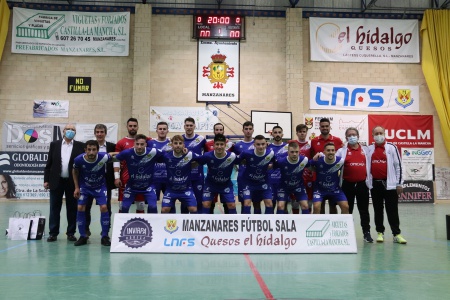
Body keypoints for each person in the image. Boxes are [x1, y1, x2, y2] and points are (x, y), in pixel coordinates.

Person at [44, 123, 84, 242]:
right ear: (63, 131)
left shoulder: (80, 146)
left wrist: (80, 184)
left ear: (75, 132)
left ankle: (71, 233)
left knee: (72, 208)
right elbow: (49, 164)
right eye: (68, 129)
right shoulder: (54, 144)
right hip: (56, 181)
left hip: (72, 182)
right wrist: (46, 180)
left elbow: (81, 167)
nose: (70, 131)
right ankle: (53, 233)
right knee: (54, 208)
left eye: (73, 129)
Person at [367, 125, 407, 244]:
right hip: (375, 184)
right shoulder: (369, 149)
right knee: (378, 210)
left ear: (384, 134)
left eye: (381, 133)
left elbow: (398, 166)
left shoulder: (391, 147)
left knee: (392, 210)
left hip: (390, 185)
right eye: (376, 133)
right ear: (373, 135)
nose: (379, 135)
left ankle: (396, 234)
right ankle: (380, 233)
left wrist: (399, 184)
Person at [336, 127, 373, 243]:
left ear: (358, 136)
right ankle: (346, 232)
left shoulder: (365, 150)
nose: (352, 137)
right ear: (346, 138)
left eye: (354, 134)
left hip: (362, 184)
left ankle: (366, 233)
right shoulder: (342, 151)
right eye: (349, 135)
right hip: (347, 185)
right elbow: (331, 159)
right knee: (348, 209)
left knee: (364, 211)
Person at [72, 140, 112, 246]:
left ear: (98, 150)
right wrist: (76, 187)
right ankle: (82, 236)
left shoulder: (103, 157)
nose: (91, 152)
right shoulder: (78, 159)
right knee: (80, 207)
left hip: (100, 187)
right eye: (89, 149)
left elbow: (114, 155)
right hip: (85, 187)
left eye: (94, 150)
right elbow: (74, 171)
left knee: (104, 207)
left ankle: (104, 236)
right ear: (85, 150)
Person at [114, 134, 164, 214]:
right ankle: (124, 226)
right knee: (124, 207)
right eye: (137, 144)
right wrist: (116, 176)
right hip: (132, 186)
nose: (139, 146)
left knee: (153, 207)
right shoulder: (128, 152)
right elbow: (115, 158)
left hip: (148, 186)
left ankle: (154, 225)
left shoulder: (153, 151)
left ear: (146, 144)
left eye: (142, 144)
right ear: (134, 144)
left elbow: (168, 154)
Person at [84, 124, 116, 237]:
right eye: (97, 132)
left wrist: (116, 177)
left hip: (105, 180)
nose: (99, 134)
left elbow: (116, 161)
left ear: (105, 133)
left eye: (102, 132)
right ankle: (86, 230)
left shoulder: (112, 146)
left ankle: (105, 231)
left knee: (106, 206)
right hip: (89, 181)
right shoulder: (89, 146)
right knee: (86, 206)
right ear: (94, 133)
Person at [197, 134, 239, 214]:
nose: (219, 147)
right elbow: (196, 162)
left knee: (232, 205)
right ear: (213, 145)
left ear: (225, 145)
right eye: (217, 144)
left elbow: (243, 161)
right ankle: (204, 225)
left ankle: (233, 225)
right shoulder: (207, 155)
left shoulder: (232, 156)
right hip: (210, 184)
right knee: (206, 204)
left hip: (226, 184)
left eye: (221, 144)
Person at [310, 118, 344, 214]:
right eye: (322, 126)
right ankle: (321, 227)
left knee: (333, 205)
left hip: (333, 179)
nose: (325, 128)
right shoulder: (314, 141)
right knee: (320, 205)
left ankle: (332, 227)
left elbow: (341, 158)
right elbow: (312, 159)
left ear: (330, 127)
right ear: (319, 127)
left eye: (326, 126)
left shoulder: (337, 140)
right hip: (318, 178)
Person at [114, 118, 146, 213]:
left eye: (134, 126)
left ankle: (141, 226)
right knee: (123, 205)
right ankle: (122, 227)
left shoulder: (144, 140)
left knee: (140, 205)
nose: (132, 128)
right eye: (130, 126)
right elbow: (116, 160)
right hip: (125, 178)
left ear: (138, 127)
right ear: (127, 127)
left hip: (141, 179)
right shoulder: (121, 142)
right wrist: (116, 177)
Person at [160, 135, 199, 214]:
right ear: (172, 145)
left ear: (183, 145)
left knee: (193, 209)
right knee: (164, 210)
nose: (178, 145)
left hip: (186, 189)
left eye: (180, 143)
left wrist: (192, 163)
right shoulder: (166, 156)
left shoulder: (188, 155)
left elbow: (201, 159)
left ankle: (190, 225)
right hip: (171, 190)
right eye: (175, 143)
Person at [309, 142, 349, 215]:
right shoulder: (318, 160)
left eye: (332, 150)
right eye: (328, 150)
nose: (331, 152)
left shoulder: (340, 161)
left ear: (335, 151)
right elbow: (307, 164)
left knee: (345, 206)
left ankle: (342, 226)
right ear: (324, 152)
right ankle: (316, 226)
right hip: (319, 190)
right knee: (316, 207)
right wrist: (313, 163)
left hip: (334, 189)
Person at [239, 135, 275, 214]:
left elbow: (276, 164)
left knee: (269, 203)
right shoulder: (247, 153)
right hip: (248, 182)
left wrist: (271, 166)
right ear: (254, 145)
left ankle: (268, 224)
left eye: (263, 144)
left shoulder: (270, 153)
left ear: (266, 144)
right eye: (258, 144)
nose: (261, 146)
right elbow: (237, 160)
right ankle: (246, 225)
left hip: (263, 182)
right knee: (247, 203)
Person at [204, 122, 234, 214]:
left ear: (223, 131)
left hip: (225, 179)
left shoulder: (230, 144)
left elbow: (236, 156)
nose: (219, 131)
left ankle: (229, 223)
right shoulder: (207, 144)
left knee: (227, 203)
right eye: (217, 130)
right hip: (212, 179)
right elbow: (206, 157)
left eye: (221, 130)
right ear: (214, 131)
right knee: (210, 203)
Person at [273, 142, 310, 214]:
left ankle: (305, 224)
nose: (294, 154)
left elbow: (313, 166)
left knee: (305, 206)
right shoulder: (281, 161)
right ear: (288, 152)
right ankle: (279, 224)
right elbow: (271, 167)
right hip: (284, 187)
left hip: (298, 186)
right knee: (280, 206)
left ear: (299, 152)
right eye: (292, 152)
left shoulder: (304, 160)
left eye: (296, 152)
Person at [147, 122, 173, 212]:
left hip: (168, 180)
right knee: (152, 205)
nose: (162, 131)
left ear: (167, 131)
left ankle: (169, 225)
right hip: (154, 180)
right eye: (160, 129)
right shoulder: (150, 143)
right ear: (156, 130)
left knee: (169, 206)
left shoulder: (172, 143)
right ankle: (152, 225)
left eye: (164, 129)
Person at [183, 117, 206, 213]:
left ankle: (199, 223)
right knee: (184, 202)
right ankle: (183, 223)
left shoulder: (201, 139)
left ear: (194, 126)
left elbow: (207, 155)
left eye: (191, 125)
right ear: (184, 127)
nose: (189, 127)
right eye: (187, 125)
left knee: (199, 201)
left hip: (198, 176)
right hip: (184, 177)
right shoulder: (180, 139)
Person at [233, 121, 256, 213]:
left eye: (250, 129)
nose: (248, 131)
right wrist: (236, 165)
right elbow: (233, 159)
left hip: (256, 178)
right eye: (246, 129)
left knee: (256, 202)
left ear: (253, 130)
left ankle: (256, 224)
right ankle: (244, 223)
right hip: (243, 178)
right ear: (243, 130)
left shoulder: (258, 143)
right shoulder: (237, 145)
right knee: (244, 202)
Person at [292, 124, 314, 214]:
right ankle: (296, 222)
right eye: (300, 132)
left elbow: (313, 159)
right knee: (295, 202)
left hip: (308, 177)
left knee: (308, 202)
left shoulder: (310, 145)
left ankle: (307, 222)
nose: (302, 133)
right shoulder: (291, 143)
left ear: (306, 133)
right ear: (297, 133)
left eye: (304, 132)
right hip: (295, 177)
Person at [267, 126, 288, 212]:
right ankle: (270, 225)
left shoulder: (288, 147)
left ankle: (285, 225)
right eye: (275, 132)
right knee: (271, 205)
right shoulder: (267, 147)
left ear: (282, 134)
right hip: (270, 181)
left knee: (283, 207)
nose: (277, 134)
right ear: (272, 134)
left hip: (283, 181)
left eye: (279, 132)